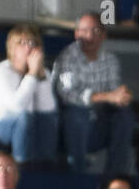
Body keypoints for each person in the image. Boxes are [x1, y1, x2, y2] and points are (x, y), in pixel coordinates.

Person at [52, 13, 135, 175]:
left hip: (99, 120)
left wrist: (122, 96)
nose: (89, 36)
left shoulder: (110, 60)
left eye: (95, 31)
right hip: (68, 122)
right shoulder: (68, 56)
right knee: (77, 113)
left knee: (125, 116)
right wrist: (108, 96)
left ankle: (114, 179)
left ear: (103, 35)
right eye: (84, 30)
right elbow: (68, 96)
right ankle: (77, 178)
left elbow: (114, 92)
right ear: (76, 34)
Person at [0, 23, 58, 165]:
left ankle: (46, 165)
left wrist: (40, 76)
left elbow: (47, 110)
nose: (28, 47)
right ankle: (22, 166)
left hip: (27, 126)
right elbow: (16, 107)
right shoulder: (1, 71)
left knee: (50, 118)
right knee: (23, 116)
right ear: (12, 48)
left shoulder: (42, 72)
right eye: (22, 43)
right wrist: (31, 75)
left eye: (33, 43)